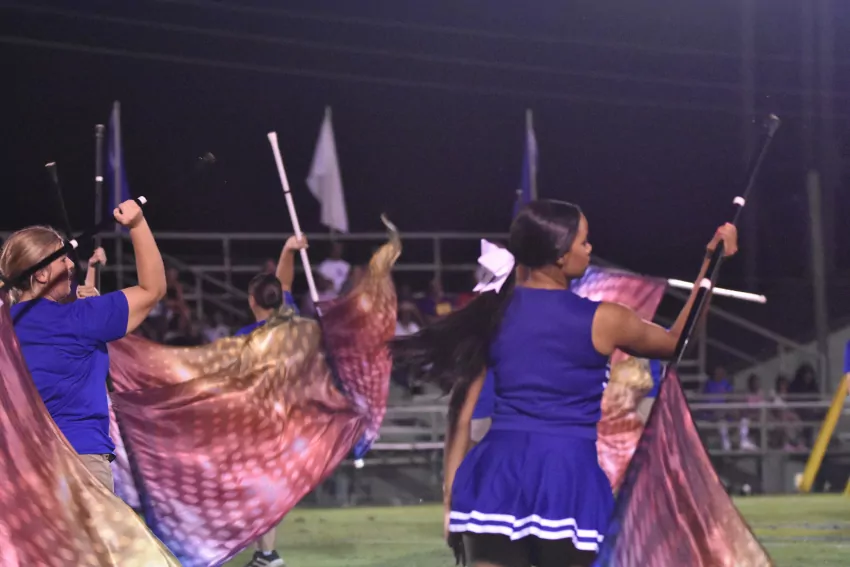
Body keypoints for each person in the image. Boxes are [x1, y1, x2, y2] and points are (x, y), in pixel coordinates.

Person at [390, 199, 737, 567]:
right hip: (567, 477)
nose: (589, 248)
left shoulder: (490, 311)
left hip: (496, 476)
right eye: (583, 241)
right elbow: (677, 343)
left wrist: (451, 499)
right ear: (559, 254)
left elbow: (460, 415)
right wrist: (711, 265)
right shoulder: (605, 319)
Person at [0, 199, 166, 492]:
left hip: (19, 469)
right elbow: (153, 289)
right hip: (81, 462)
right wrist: (137, 224)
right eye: (63, 259)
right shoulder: (80, 318)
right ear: (41, 274)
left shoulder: (6, 327)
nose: (70, 265)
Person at [239, 234, 307, 567]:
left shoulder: (246, 339)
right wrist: (288, 250)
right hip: (290, 418)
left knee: (259, 489)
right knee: (265, 488)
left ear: (252, 300)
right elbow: (286, 282)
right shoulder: (290, 323)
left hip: (259, 422)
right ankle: (265, 553)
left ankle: (267, 554)